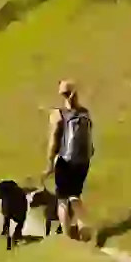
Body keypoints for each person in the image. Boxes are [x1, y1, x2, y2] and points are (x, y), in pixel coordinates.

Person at [43, 79, 94, 240]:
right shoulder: (85, 113)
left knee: (63, 200)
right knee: (75, 195)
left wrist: (50, 163)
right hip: (83, 162)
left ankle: (68, 237)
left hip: (65, 162)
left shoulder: (58, 114)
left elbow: (53, 142)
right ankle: (84, 226)